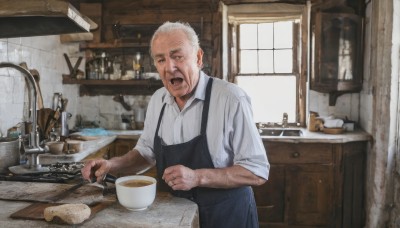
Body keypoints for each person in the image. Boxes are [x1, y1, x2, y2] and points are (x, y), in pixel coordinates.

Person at [81, 21, 270, 228]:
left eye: (177, 56)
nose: (169, 67)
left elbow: (256, 170)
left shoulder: (231, 99)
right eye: (161, 59)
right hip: (173, 217)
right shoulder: (158, 100)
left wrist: (197, 177)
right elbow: (146, 153)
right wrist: (113, 165)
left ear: (198, 58)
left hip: (226, 216)